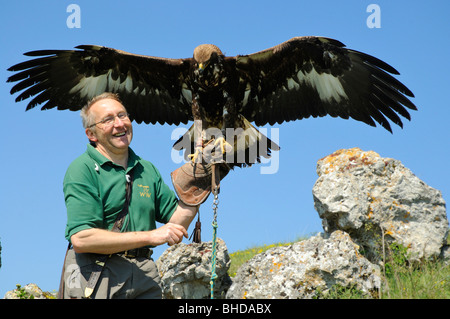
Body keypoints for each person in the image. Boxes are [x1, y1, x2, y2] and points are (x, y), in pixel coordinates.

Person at [60, 92, 225, 299]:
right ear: (91, 134)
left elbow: (175, 223)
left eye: (123, 115)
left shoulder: (146, 169)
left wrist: (199, 183)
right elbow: (82, 239)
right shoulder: (82, 169)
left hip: (144, 274)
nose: (119, 124)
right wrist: (151, 236)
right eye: (108, 119)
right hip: (96, 275)